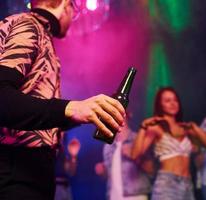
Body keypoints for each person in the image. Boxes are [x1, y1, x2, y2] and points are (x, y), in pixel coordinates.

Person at [0, 0, 125, 199]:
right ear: (66, 4)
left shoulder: (40, 32)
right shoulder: (29, 25)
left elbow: (35, 112)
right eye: (74, 12)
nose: (73, 19)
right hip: (15, 171)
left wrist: (88, 112)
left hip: (32, 173)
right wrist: (72, 108)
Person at [131, 87, 206, 200]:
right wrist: (143, 127)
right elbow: (134, 154)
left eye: (175, 100)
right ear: (160, 105)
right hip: (167, 183)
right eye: (167, 100)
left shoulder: (186, 129)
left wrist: (195, 128)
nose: (172, 103)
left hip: (188, 184)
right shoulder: (156, 128)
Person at [94, 114, 153, 200]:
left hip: (136, 196)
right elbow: (110, 176)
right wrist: (103, 171)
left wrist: (134, 156)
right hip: (113, 196)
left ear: (125, 116)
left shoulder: (137, 139)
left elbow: (152, 170)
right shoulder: (108, 146)